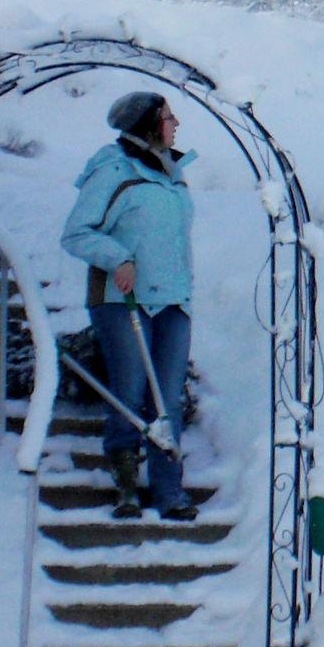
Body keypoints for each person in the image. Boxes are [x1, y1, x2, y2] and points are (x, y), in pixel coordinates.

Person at [60, 91, 197, 521]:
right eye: (169, 118)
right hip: (122, 299)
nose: (175, 125)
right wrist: (117, 257)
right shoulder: (112, 170)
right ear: (148, 123)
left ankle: (169, 490)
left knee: (168, 399)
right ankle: (125, 486)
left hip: (173, 300)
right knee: (131, 390)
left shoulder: (173, 173)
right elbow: (77, 233)